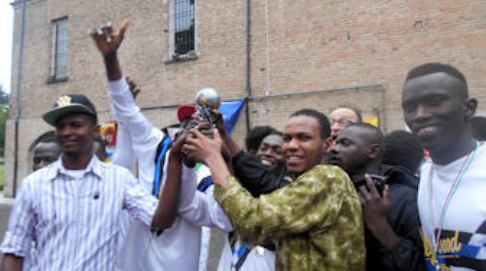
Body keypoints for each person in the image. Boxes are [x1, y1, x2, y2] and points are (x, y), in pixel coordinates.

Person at [90, 21, 231, 271]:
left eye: (204, 124)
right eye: (189, 120)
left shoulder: (210, 175)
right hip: (135, 259)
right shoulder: (154, 144)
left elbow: (222, 218)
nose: (195, 125)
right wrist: (111, 58)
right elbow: (126, 108)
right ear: (179, 127)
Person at [183, 109, 366, 270]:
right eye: (287, 138)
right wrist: (222, 134)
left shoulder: (328, 178)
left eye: (304, 138)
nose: (292, 146)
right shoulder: (304, 182)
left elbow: (251, 220)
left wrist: (213, 158)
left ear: (328, 144)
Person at [0, 94, 162, 271]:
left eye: (76, 125)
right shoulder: (33, 184)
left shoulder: (118, 180)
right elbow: (14, 250)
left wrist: (176, 164)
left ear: (95, 131)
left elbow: (160, 218)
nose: (67, 132)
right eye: (61, 126)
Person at [402, 63, 486, 270]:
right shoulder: (424, 172)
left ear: (469, 108)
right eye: (410, 107)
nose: (420, 114)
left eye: (435, 102)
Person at [331, 123, 425, 271]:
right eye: (336, 143)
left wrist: (380, 227)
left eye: (345, 144)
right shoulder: (336, 191)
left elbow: (420, 264)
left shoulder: (405, 197)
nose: (335, 150)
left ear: (373, 151)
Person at [216, 128, 285, 271]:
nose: (267, 153)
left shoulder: (289, 194)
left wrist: (213, 157)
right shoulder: (243, 191)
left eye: (277, 152)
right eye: (263, 148)